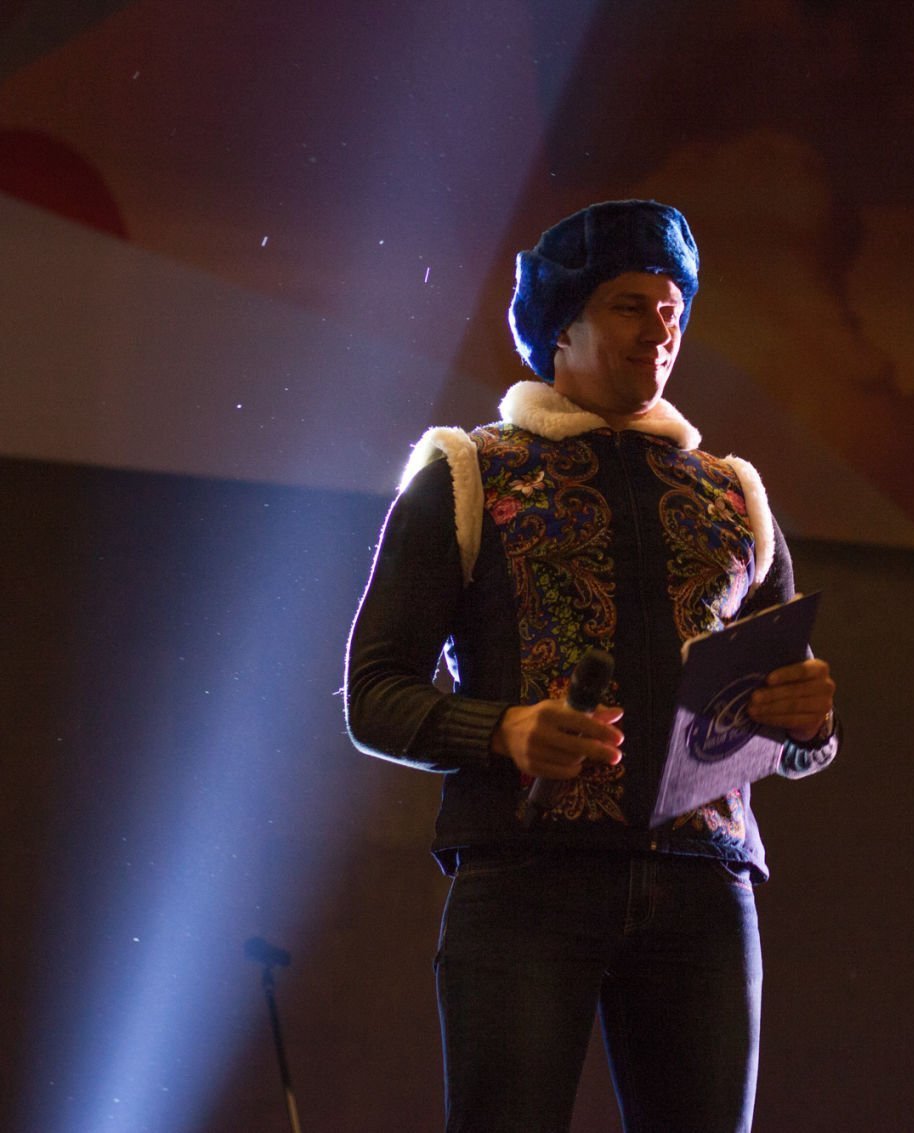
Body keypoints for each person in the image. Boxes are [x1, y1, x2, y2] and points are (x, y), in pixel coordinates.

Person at [344, 199, 839, 1133]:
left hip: (705, 885)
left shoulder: (737, 494)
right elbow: (373, 692)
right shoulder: (468, 471)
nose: (660, 327)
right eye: (629, 304)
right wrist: (501, 729)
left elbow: (795, 733)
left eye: (672, 309)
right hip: (528, 879)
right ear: (559, 327)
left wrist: (809, 722)